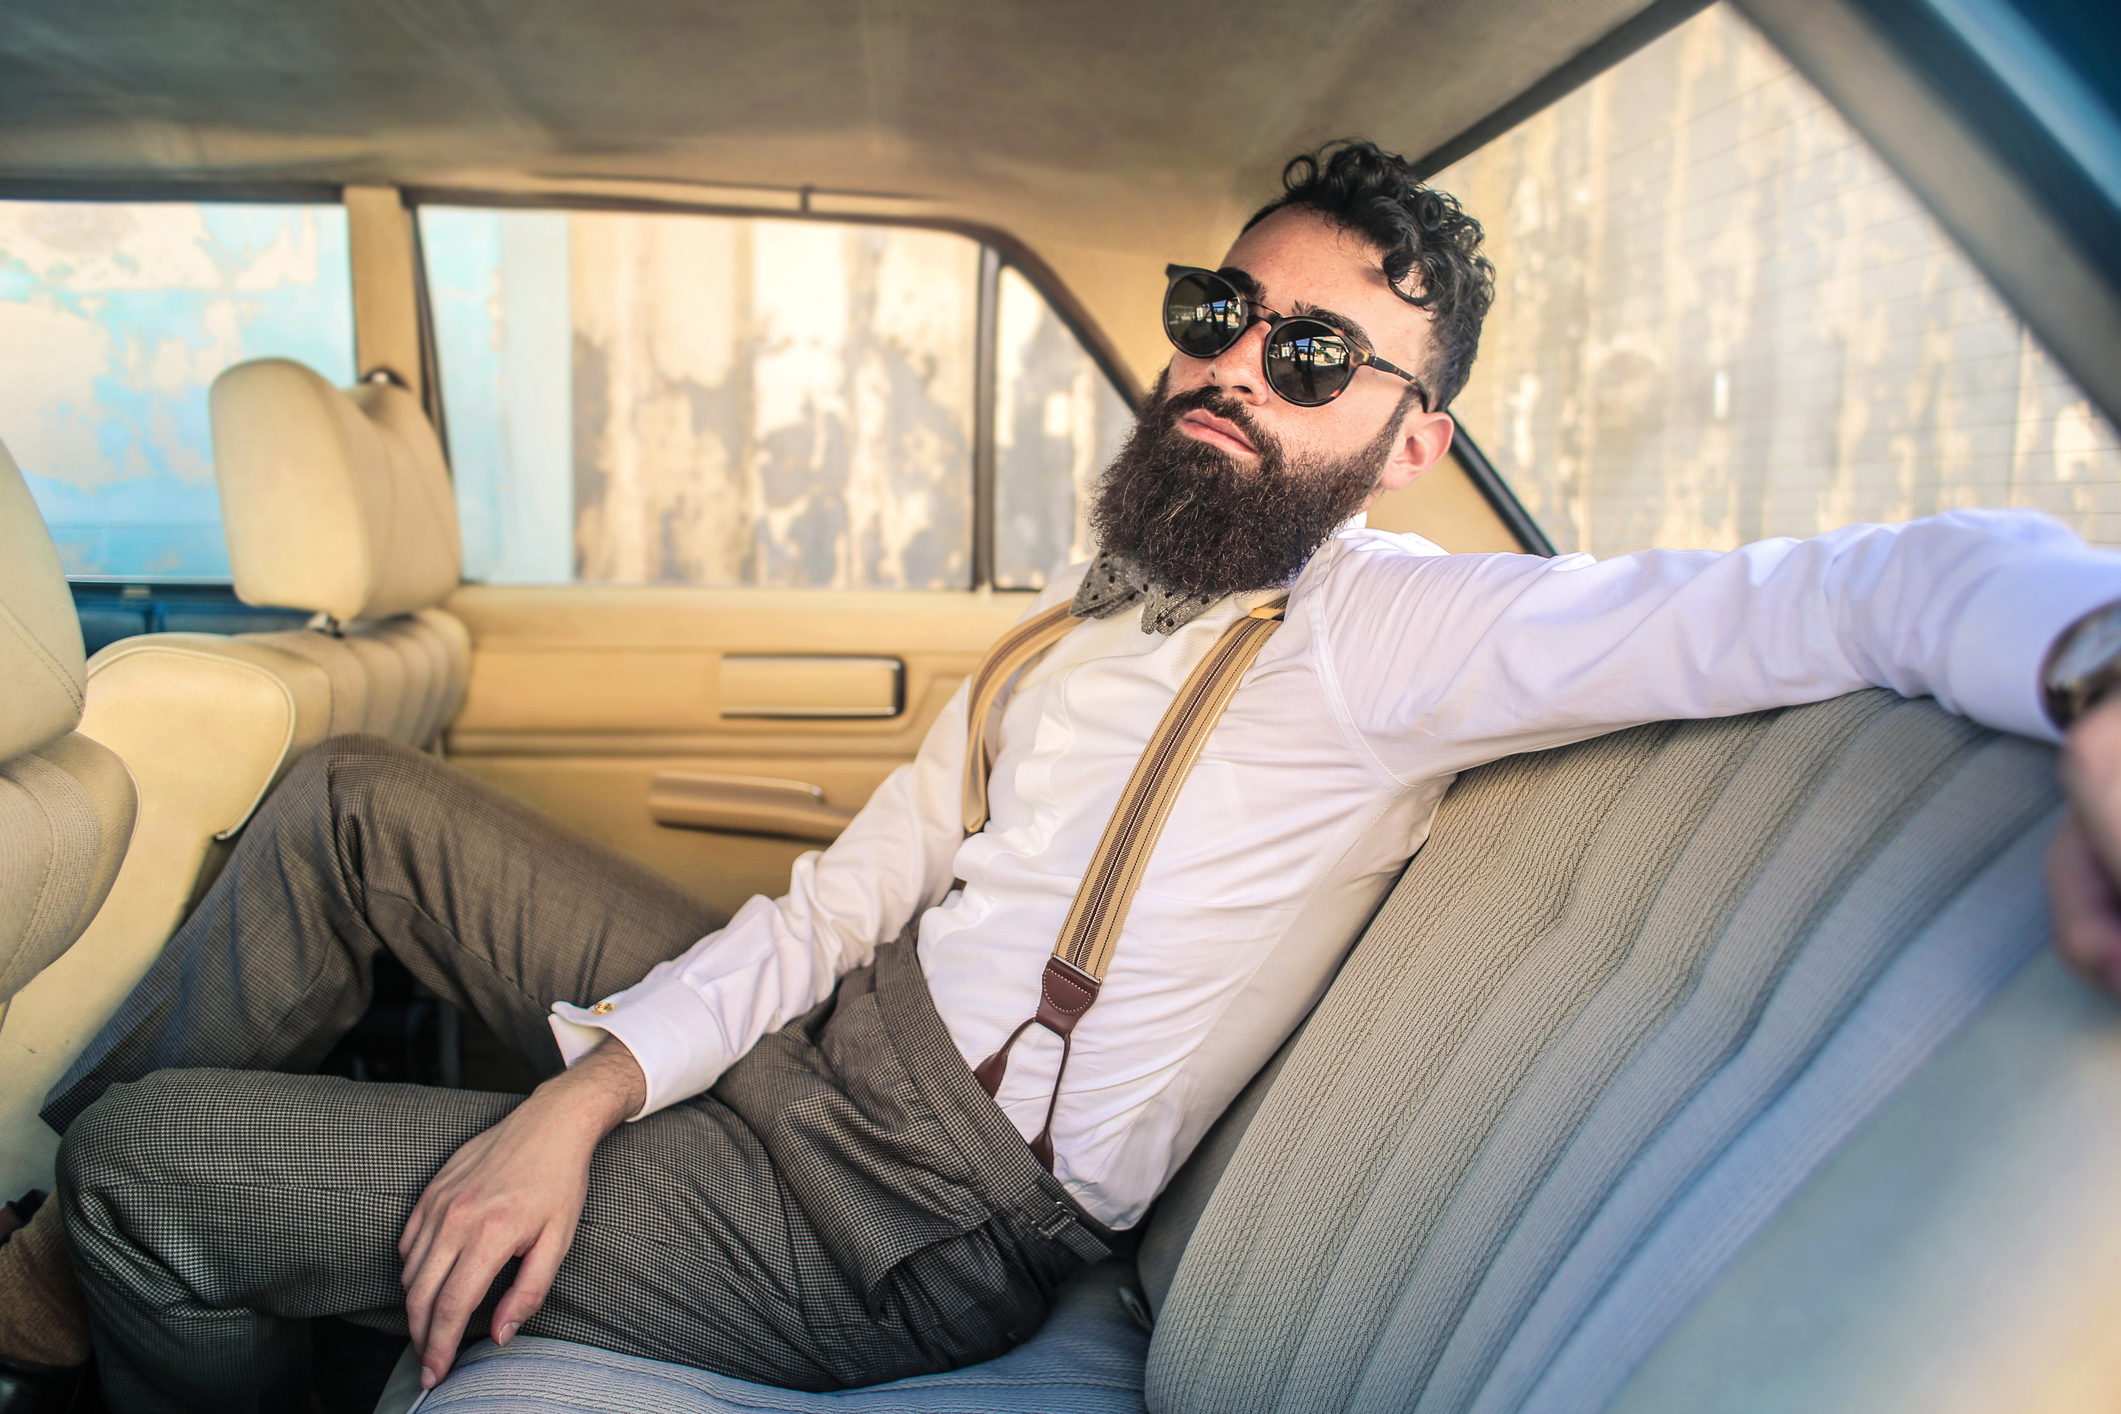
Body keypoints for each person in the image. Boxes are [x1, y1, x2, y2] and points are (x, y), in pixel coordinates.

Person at [6, 138, 2121, 1413]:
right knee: (354, 803)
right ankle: (68, 1262)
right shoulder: (1119, 592)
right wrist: (579, 1087)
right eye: (1221, 309)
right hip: (841, 1032)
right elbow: (847, 900)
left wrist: (2094, 666)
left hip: (898, 1214)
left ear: (1402, 440)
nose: (1229, 362)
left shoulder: (1392, 627)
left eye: (1311, 354)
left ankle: (143, 1286)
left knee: (160, 1175)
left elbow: (1844, 585)